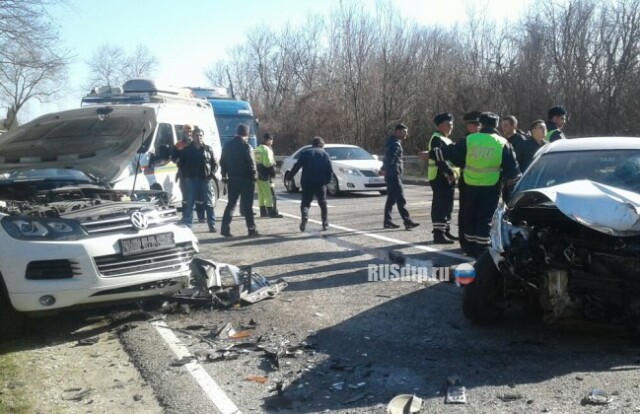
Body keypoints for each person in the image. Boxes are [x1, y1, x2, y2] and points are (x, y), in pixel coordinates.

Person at [431, 112, 520, 258]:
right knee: (485, 218)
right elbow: (514, 171)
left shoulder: (470, 139)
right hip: (491, 187)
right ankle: (482, 249)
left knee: (469, 216)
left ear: (481, 124)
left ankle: (469, 247)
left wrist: (432, 153)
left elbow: (450, 153)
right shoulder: (502, 143)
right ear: (496, 125)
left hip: (469, 186)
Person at [220, 124, 259, 237]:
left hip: (232, 179)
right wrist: (254, 178)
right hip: (246, 180)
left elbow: (222, 162)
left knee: (231, 205)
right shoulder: (247, 147)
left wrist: (224, 175)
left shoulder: (227, 146)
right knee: (247, 206)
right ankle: (251, 229)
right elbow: (252, 164)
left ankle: (224, 229)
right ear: (246, 135)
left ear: (237, 133)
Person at [176, 127, 218, 232]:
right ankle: (187, 226)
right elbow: (181, 165)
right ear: (193, 136)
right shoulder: (186, 150)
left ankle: (212, 225)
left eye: (200, 135)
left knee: (209, 204)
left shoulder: (208, 149)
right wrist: (186, 178)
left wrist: (211, 174)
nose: (198, 137)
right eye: (196, 135)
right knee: (189, 204)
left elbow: (215, 164)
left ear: (203, 137)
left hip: (205, 180)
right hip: (191, 181)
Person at [382, 124, 420, 230]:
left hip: (390, 174)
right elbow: (391, 158)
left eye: (406, 132)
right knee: (400, 199)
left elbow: (387, 158)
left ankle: (387, 222)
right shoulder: (395, 144)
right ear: (397, 131)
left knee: (391, 199)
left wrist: (384, 168)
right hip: (394, 175)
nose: (406, 134)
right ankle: (407, 222)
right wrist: (384, 168)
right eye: (404, 132)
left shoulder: (391, 142)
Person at [290, 136, 333, 232]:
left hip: (307, 182)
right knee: (323, 203)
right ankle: (325, 224)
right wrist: (327, 181)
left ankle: (305, 215)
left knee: (305, 203)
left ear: (312, 144)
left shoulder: (305, 153)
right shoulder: (325, 154)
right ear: (321, 145)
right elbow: (330, 170)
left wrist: (289, 177)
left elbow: (297, 166)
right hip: (320, 182)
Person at [427, 112, 457, 244]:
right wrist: (450, 173)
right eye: (448, 125)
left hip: (447, 177)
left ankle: (446, 230)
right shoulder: (437, 138)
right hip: (440, 176)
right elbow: (439, 159)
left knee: (448, 204)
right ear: (440, 126)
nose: (451, 127)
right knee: (440, 205)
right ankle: (438, 234)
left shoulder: (446, 138)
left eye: (452, 124)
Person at [171, 124, 205, 222]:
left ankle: (201, 217)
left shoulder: (198, 144)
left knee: (200, 197)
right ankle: (185, 217)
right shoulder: (179, 145)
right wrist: (178, 161)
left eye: (190, 132)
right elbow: (173, 156)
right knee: (185, 197)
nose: (188, 134)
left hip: (198, 174)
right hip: (183, 173)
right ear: (184, 133)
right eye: (187, 132)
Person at [254, 133, 283, 218]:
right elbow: (268, 163)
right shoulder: (267, 149)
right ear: (268, 140)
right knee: (271, 194)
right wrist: (273, 170)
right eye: (271, 140)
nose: (272, 141)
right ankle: (272, 212)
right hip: (267, 175)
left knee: (261, 194)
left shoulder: (257, 149)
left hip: (258, 174)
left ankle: (263, 212)